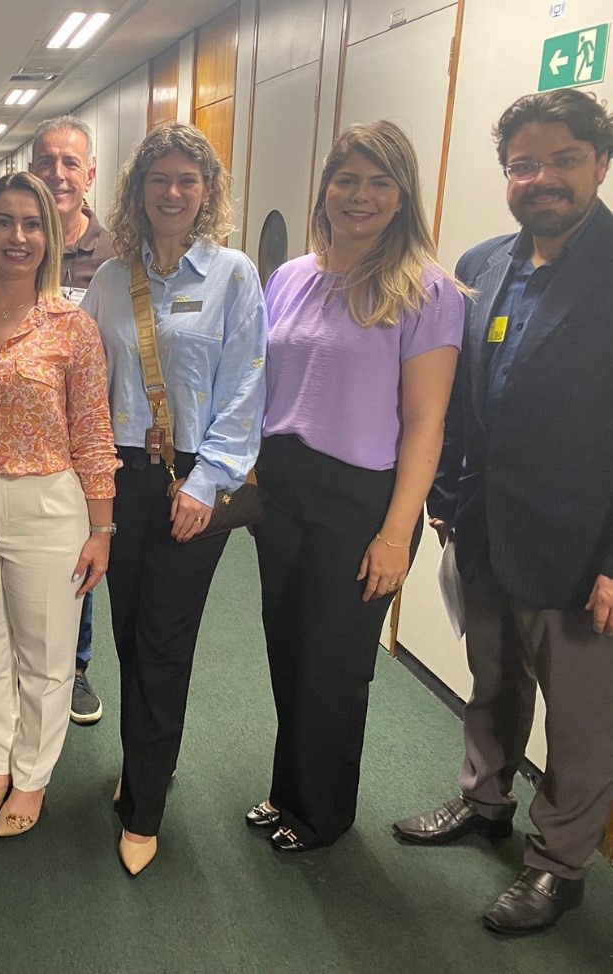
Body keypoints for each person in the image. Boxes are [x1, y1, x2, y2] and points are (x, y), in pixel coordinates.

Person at [392, 89, 613, 935]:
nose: (541, 178)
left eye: (563, 160)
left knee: (581, 719)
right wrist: (446, 497)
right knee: (491, 680)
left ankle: (558, 866)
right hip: (483, 527)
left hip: (577, 545)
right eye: (524, 164)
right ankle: (484, 803)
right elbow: (459, 395)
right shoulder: (481, 264)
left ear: (599, 164)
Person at [248, 121, 464, 857]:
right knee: (287, 646)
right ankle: (288, 789)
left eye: (378, 182)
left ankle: (322, 813)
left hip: (359, 500)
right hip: (283, 488)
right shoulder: (290, 277)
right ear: (325, 189)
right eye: (346, 179)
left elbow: (427, 422)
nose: (359, 195)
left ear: (402, 196)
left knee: (334, 664)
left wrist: (396, 534)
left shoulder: (428, 290)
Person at [82, 123, 267, 875]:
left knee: (164, 639)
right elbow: (85, 386)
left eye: (188, 180)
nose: (172, 192)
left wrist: (205, 481)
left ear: (207, 192)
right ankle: (142, 760)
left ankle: (145, 805)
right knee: (129, 630)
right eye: (158, 178)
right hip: (121, 480)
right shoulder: (107, 280)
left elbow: (247, 385)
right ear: (137, 190)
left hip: (195, 483)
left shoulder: (233, 275)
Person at [0, 172, 117, 837]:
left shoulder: (73, 328)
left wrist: (102, 529)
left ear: (50, 237)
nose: (17, 236)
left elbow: (92, 431)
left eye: (32, 223)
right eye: (4, 222)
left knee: (44, 654)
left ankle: (32, 775)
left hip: (47, 508)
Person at [29, 115, 119, 725]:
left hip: (89, 435)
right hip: (27, 436)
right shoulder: (19, 239)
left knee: (80, 552)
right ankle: (28, 662)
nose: (58, 173)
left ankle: (76, 667)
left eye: (70, 163)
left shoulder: (116, 256)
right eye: (46, 162)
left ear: (89, 174)